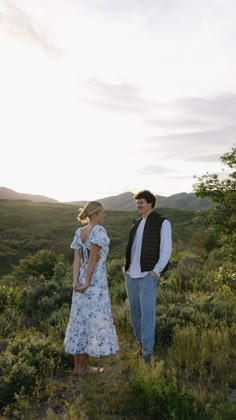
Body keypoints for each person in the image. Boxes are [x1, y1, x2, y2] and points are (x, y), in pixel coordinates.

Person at [64, 201, 119, 375]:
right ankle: (83, 368)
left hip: (79, 281)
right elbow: (93, 259)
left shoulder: (80, 232)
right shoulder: (99, 231)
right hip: (94, 284)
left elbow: (77, 260)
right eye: (102, 213)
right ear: (95, 215)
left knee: (79, 322)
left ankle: (79, 368)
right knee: (89, 323)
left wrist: (75, 282)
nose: (104, 215)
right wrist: (87, 283)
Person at [124, 190, 172, 364]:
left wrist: (157, 270)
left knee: (148, 313)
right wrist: (126, 267)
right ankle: (141, 343)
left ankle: (147, 352)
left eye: (141, 202)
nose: (139, 205)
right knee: (135, 313)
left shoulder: (163, 222)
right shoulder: (136, 223)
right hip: (131, 274)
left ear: (150, 203)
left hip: (147, 275)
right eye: (137, 203)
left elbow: (166, 249)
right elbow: (132, 247)